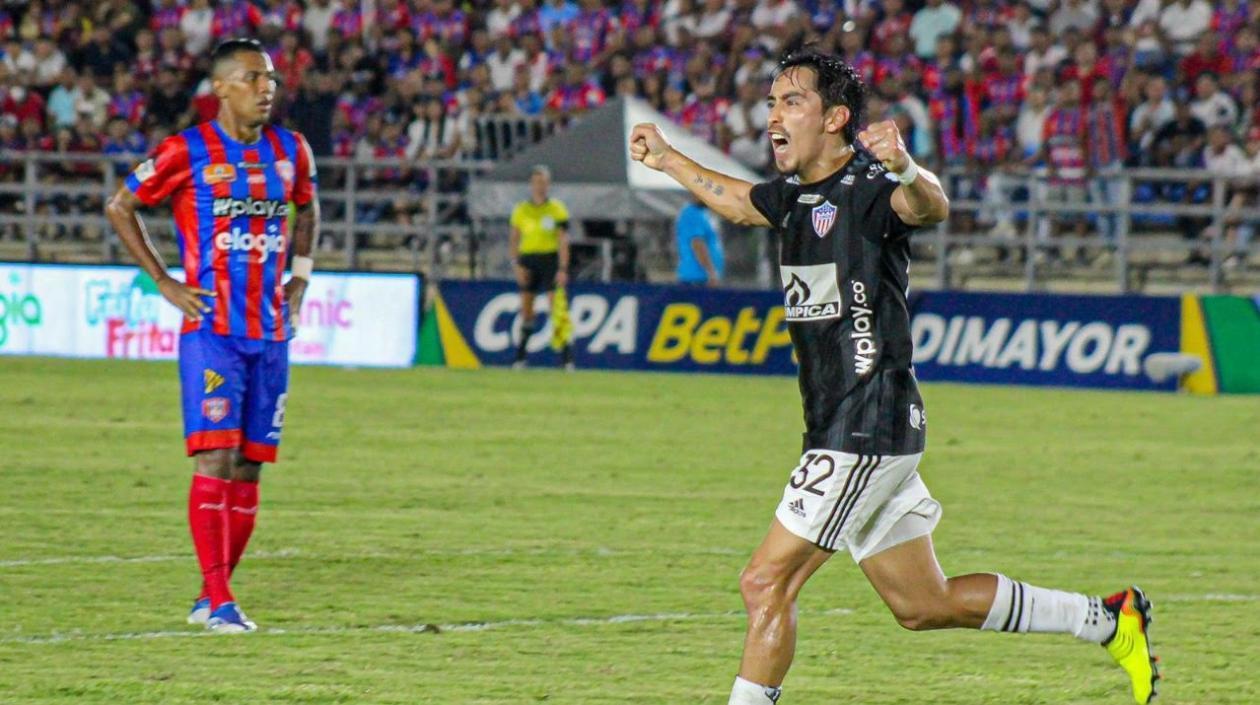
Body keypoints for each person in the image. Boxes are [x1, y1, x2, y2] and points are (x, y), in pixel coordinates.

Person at [628, 47, 1159, 705]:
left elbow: (929, 205)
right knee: (923, 603)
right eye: (771, 102)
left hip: (864, 421)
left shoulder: (872, 186)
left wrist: (905, 164)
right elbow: (737, 202)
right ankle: (1109, 619)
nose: (773, 115)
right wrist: (670, 159)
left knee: (766, 582)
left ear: (835, 118)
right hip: (848, 423)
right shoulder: (795, 196)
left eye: (791, 101)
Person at [104, 39, 319, 634]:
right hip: (214, 331)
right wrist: (163, 282)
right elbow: (120, 206)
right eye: (253, 77)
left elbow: (309, 208)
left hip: (271, 333)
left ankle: (211, 594)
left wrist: (299, 280)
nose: (267, 87)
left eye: (271, 78)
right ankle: (221, 601)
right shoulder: (187, 150)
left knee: (250, 467)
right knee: (216, 456)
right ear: (221, 87)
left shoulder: (291, 151)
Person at [508, 164, 573, 369]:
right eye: (537, 182)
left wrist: (563, 268)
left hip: (549, 260)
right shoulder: (521, 210)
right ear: (531, 184)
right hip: (528, 260)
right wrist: (516, 265)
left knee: (557, 308)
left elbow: (563, 241)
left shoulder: (556, 209)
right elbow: (514, 240)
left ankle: (567, 358)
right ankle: (521, 357)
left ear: (548, 184)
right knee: (527, 310)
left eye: (543, 182)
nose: (540, 186)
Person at [675, 198, 724, 285]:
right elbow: (697, 244)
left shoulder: (704, 214)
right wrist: (711, 272)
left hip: (703, 278)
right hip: (696, 278)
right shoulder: (691, 214)